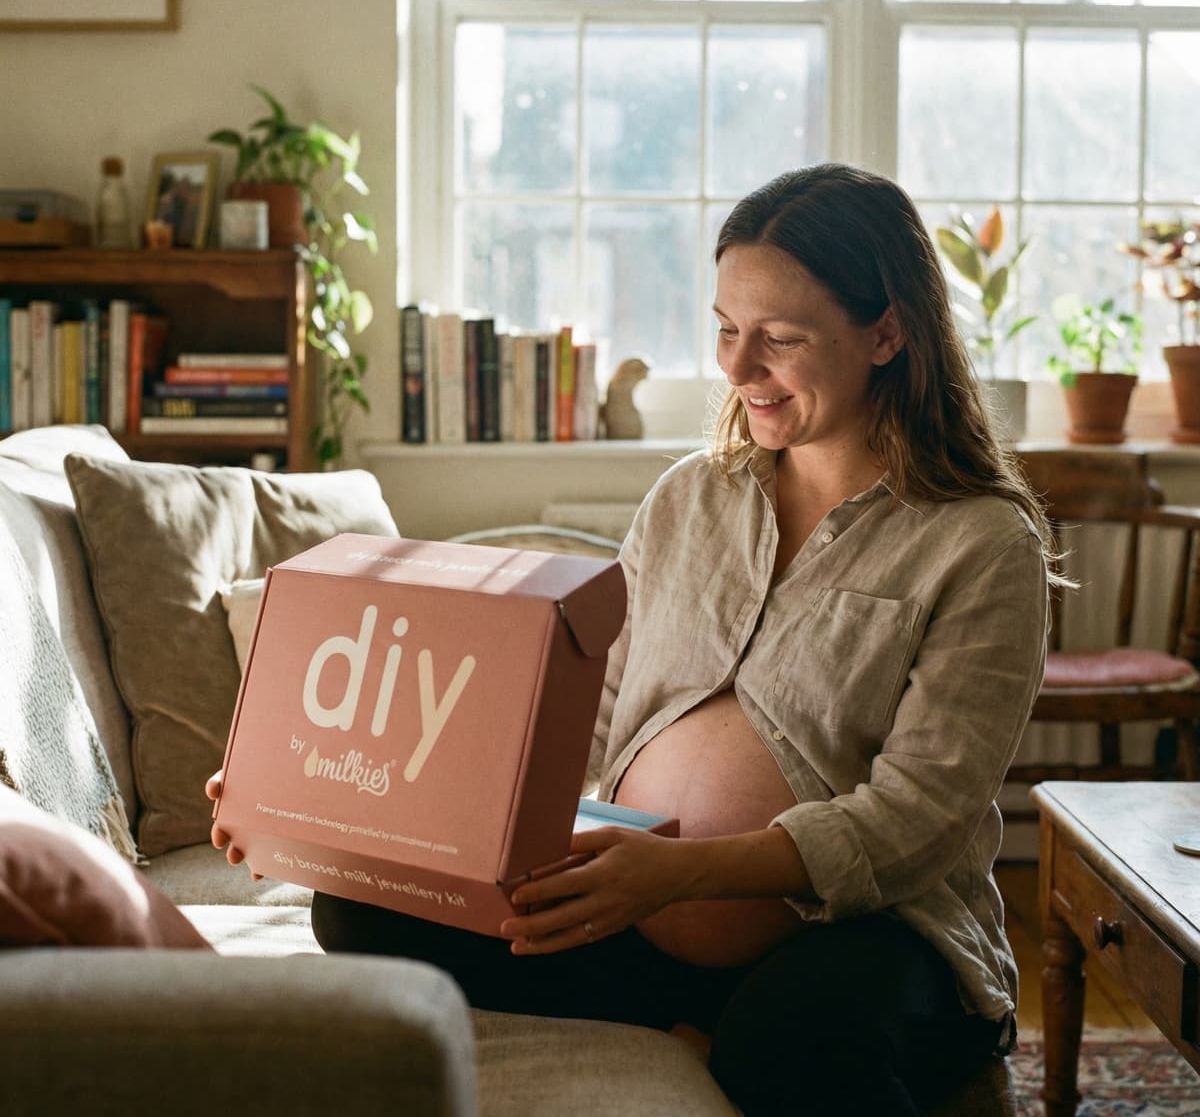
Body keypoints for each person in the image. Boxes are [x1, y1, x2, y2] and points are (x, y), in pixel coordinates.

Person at [211, 163, 1051, 1116]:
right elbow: (585, 713)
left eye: (779, 338)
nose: (737, 371)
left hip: (869, 932)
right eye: (727, 331)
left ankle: (744, 1027)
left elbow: (917, 820)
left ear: (887, 334)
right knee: (355, 904)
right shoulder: (691, 497)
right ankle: (688, 1022)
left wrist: (679, 873)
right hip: (637, 922)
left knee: (795, 1043)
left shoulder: (980, 541)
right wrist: (305, 803)